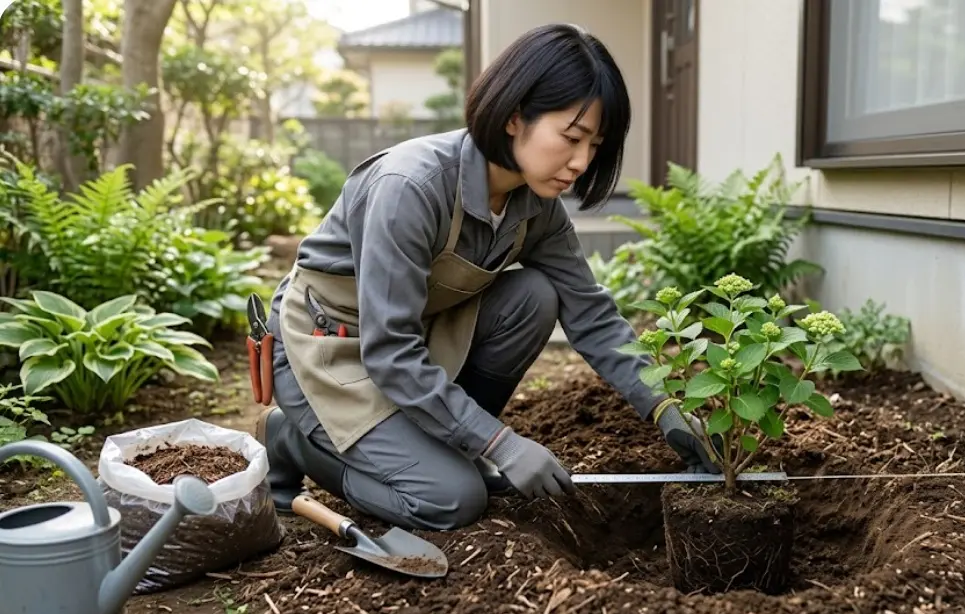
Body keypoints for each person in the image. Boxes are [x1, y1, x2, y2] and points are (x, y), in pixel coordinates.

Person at [251, 23, 718, 532]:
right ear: (516, 117)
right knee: (452, 500)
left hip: (411, 342)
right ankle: (291, 438)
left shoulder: (536, 206)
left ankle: (441, 444)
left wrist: (667, 408)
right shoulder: (410, 187)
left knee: (536, 296)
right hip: (328, 350)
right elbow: (387, 351)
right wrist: (500, 444)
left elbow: (591, 312)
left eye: (595, 145)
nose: (582, 162)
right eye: (572, 137)